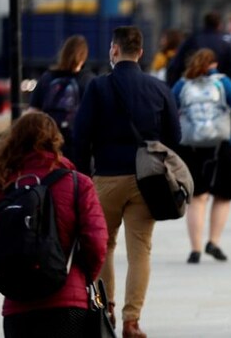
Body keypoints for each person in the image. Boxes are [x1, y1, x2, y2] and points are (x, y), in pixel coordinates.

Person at [72, 26, 181, 338]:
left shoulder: (97, 88)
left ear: (114, 50)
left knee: (103, 245)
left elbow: (80, 136)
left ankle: (106, 309)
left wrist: (83, 175)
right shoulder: (158, 89)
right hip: (146, 180)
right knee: (140, 250)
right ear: (142, 53)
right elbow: (175, 136)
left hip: (105, 177)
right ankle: (132, 320)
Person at [0, 112, 108, 338]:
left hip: (17, 308)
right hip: (68, 301)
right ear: (55, 140)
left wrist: (10, 279)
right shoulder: (78, 183)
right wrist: (83, 277)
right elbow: (96, 242)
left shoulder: (1, 189)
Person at [171, 49, 231, 265]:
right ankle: (213, 242)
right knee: (223, 196)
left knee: (197, 198)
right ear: (215, 63)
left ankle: (195, 248)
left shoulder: (181, 85)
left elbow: (170, 116)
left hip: (190, 148)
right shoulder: (225, 84)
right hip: (222, 146)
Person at [28, 35, 94, 161]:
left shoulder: (46, 78)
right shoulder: (88, 80)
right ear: (83, 56)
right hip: (78, 149)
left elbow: (32, 115)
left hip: (49, 147)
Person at [166, 12, 231, 87]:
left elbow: (175, 66)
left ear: (205, 23)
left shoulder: (192, 40)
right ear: (219, 25)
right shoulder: (226, 42)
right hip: (219, 88)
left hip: (194, 86)